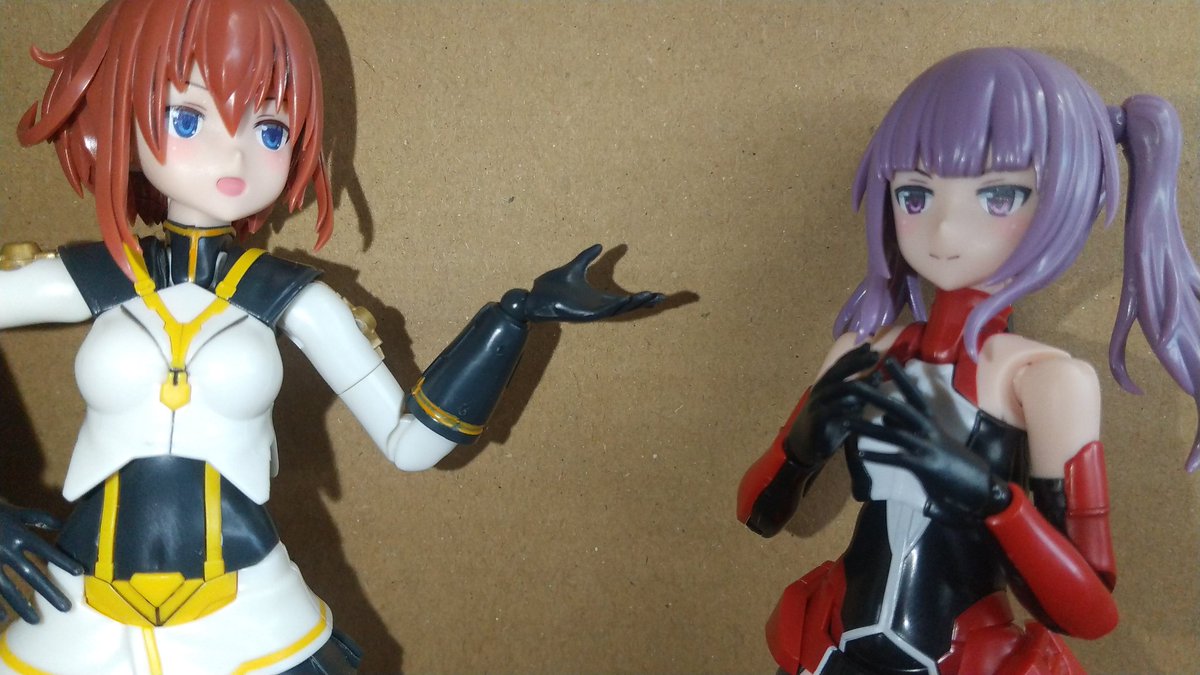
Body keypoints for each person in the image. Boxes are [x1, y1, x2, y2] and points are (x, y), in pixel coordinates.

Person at [0, 0, 660, 672]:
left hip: (246, 609)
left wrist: (512, 321)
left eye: (269, 128)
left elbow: (409, 443)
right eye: (189, 118)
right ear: (117, 116)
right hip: (81, 604)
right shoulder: (92, 278)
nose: (234, 153)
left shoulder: (291, 299)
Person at [738, 47, 1200, 675]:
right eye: (916, 195)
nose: (945, 232)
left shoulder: (1048, 382)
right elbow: (758, 517)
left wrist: (994, 502)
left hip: (966, 658)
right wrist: (797, 451)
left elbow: (1087, 614)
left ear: (1064, 199)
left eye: (999, 195)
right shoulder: (861, 352)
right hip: (825, 643)